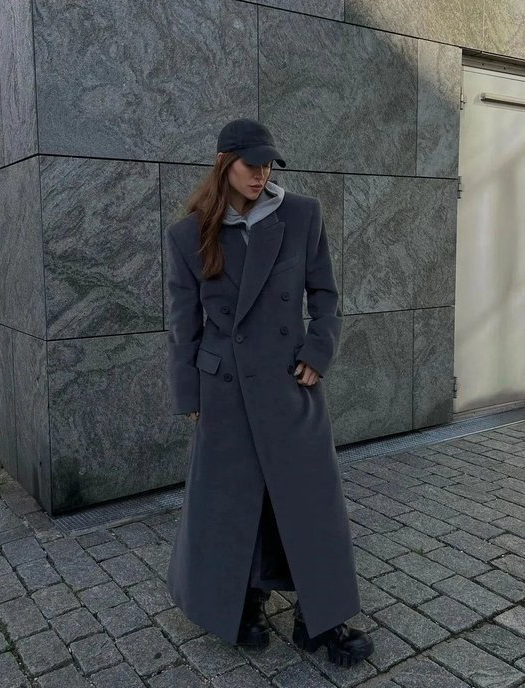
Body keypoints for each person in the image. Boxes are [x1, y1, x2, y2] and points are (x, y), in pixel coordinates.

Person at [165, 118, 374, 667]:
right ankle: (243, 601)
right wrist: (189, 394)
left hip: (288, 381)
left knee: (311, 500)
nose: (261, 174)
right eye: (250, 164)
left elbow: (325, 294)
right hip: (224, 389)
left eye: (267, 165)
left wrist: (318, 350)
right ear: (224, 164)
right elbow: (183, 325)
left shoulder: (301, 215)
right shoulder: (188, 235)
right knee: (232, 504)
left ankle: (321, 616)